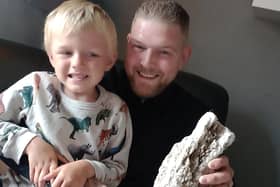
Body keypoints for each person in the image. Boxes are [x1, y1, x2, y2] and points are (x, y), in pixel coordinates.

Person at [101, 0, 234, 186]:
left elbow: (214, 174)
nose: (147, 63)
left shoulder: (197, 117)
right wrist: (43, 146)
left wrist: (223, 181)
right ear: (128, 43)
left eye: (163, 52)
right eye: (139, 47)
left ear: (183, 58)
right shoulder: (94, 83)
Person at [0, 1, 132, 187]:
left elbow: (117, 170)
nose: (77, 62)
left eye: (92, 54)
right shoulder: (35, 85)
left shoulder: (117, 112)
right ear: (52, 56)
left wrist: (87, 168)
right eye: (66, 52)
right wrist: (30, 143)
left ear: (109, 60)